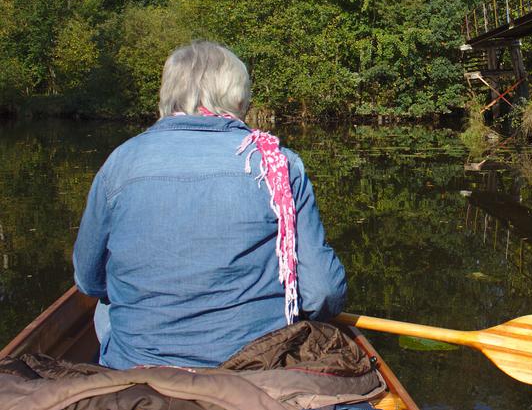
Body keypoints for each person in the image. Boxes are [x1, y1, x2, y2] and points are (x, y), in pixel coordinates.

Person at [73, 41, 347, 369]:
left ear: (167, 95)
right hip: (253, 367)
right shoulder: (278, 164)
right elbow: (323, 293)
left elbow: (88, 280)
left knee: (107, 303)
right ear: (238, 98)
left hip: (137, 366)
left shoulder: (120, 162)